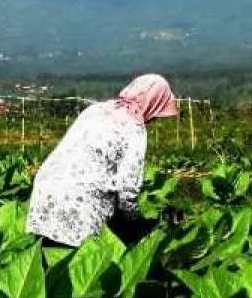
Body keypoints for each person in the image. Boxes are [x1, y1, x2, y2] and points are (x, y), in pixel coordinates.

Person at [26, 74, 179, 247]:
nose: (154, 119)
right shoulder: (133, 127)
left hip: (46, 190)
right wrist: (135, 223)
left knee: (49, 260)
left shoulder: (96, 109)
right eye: (157, 113)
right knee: (80, 263)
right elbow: (128, 187)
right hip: (81, 202)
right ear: (153, 103)